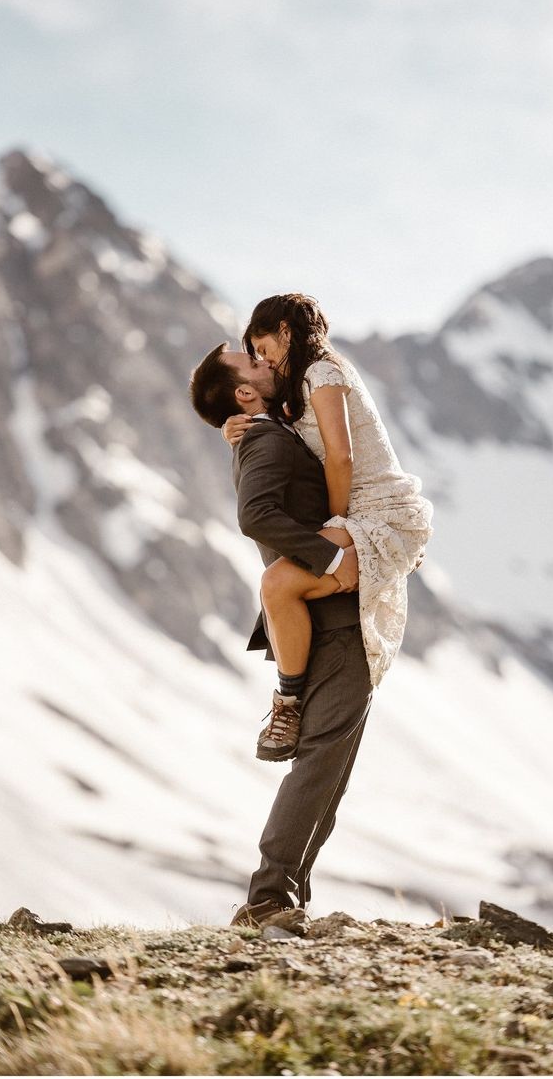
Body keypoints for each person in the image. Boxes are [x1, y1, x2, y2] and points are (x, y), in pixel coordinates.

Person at [189, 342, 373, 930]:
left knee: (329, 769)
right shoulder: (266, 437)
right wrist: (330, 559)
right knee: (321, 764)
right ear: (243, 392)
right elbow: (256, 516)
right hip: (331, 623)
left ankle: (283, 896)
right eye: (252, 362)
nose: (265, 362)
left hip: (319, 619)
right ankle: (269, 897)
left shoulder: (263, 430)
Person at [224, 294, 433, 730]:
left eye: (264, 349)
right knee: (278, 588)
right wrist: (231, 426)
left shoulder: (323, 371)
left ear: (286, 331)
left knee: (277, 584)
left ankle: (288, 704)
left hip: (380, 513)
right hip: (360, 516)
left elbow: (340, 456)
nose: (263, 360)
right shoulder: (298, 384)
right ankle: (289, 700)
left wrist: (335, 526)